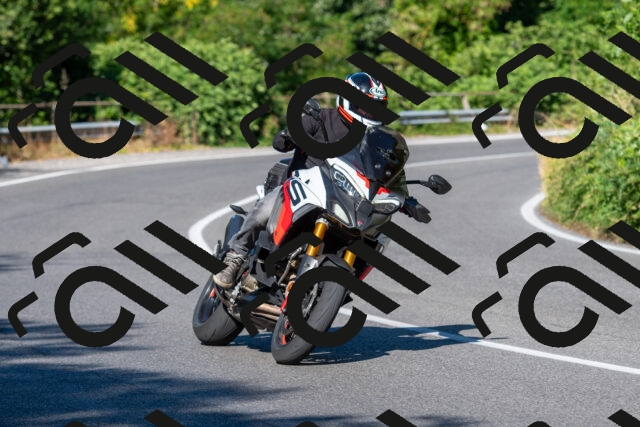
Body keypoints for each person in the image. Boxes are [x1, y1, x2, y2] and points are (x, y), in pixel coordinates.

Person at [213, 71, 429, 289]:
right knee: (265, 208)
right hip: (302, 188)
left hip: (346, 199)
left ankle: (334, 286)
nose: (368, 111)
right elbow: (279, 142)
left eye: (375, 107)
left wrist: (406, 199)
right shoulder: (320, 119)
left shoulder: (376, 139)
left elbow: (391, 172)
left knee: (376, 234)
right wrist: (290, 134)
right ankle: (235, 257)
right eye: (364, 106)